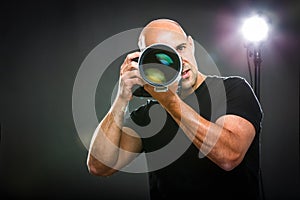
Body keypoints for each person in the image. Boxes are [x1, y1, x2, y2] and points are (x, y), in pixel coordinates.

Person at [86, 18, 263, 200]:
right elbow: (99, 166)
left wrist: (170, 101)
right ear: (147, 62)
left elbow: (229, 156)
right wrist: (122, 98)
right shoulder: (148, 115)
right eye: (165, 56)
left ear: (191, 44)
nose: (180, 61)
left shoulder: (232, 90)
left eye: (180, 48)